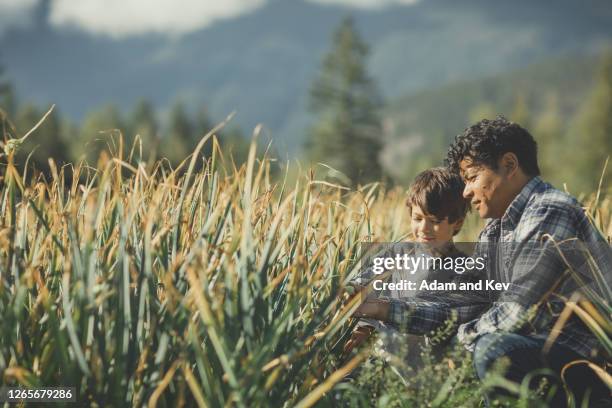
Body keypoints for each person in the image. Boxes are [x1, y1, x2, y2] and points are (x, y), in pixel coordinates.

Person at [353, 116, 611, 406]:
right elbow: (464, 304)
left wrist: (457, 341)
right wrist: (384, 309)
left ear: (510, 165)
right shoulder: (495, 231)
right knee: (482, 346)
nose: (465, 192)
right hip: (536, 353)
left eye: (472, 178)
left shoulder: (550, 210)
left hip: (587, 363)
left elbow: (516, 312)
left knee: (491, 349)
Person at [344, 167, 476, 366]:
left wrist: (379, 310)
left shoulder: (463, 271)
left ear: (457, 223)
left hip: (423, 373)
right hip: (381, 362)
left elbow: (440, 317)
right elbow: (367, 283)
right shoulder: (396, 254)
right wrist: (363, 322)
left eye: (435, 221)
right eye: (418, 218)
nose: (424, 228)